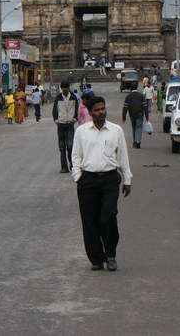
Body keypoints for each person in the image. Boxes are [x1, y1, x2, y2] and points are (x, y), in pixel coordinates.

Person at [71, 96, 132, 272]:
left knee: (108, 216)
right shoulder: (81, 132)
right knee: (89, 221)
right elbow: (76, 156)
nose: (101, 112)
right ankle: (97, 259)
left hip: (110, 179)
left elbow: (123, 156)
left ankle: (111, 255)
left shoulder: (116, 130)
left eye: (103, 109)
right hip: (87, 181)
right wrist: (78, 176)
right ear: (90, 113)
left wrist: (127, 179)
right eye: (97, 110)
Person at [52, 80, 79, 173]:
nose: (64, 89)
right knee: (62, 147)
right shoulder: (58, 98)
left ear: (68, 88)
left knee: (70, 146)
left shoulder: (73, 97)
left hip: (70, 124)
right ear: (61, 88)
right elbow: (54, 110)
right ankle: (64, 167)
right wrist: (56, 120)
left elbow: (77, 109)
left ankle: (72, 164)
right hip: (61, 125)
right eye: (63, 88)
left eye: (66, 88)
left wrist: (75, 119)